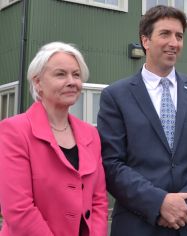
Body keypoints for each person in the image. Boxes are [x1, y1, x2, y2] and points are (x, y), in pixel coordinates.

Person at [97, 5, 187, 236]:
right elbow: (112, 163)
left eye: (179, 36)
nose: (174, 42)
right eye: (165, 34)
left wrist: (185, 205)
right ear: (145, 40)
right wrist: (159, 202)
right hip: (139, 223)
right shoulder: (116, 96)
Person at [0, 42, 108, 235]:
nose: (72, 81)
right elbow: (18, 209)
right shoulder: (14, 131)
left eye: (76, 75)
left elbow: (98, 201)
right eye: (60, 74)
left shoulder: (90, 134)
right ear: (37, 82)